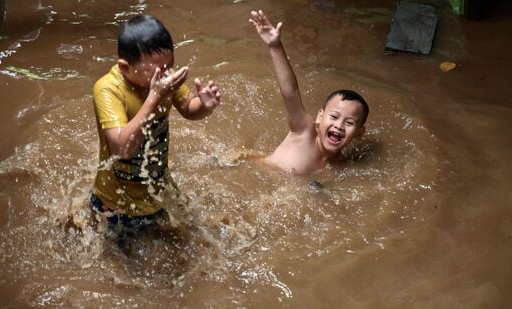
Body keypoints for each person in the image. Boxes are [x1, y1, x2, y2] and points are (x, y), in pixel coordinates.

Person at [91, 15, 221, 230]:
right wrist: (155, 96)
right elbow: (122, 148)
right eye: (158, 70)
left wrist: (205, 105)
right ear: (125, 67)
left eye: (171, 64)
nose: (166, 73)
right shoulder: (108, 89)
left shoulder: (163, 78)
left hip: (159, 189)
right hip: (116, 203)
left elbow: (189, 109)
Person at [249, 10, 369, 174]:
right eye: (334, 117)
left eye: (349, 123)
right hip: (248, 172)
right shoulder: (304, 131)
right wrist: (275, 45)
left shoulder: (340, 165)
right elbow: (290, 91)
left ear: (360, 133)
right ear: (320, 116)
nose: (339, 126)